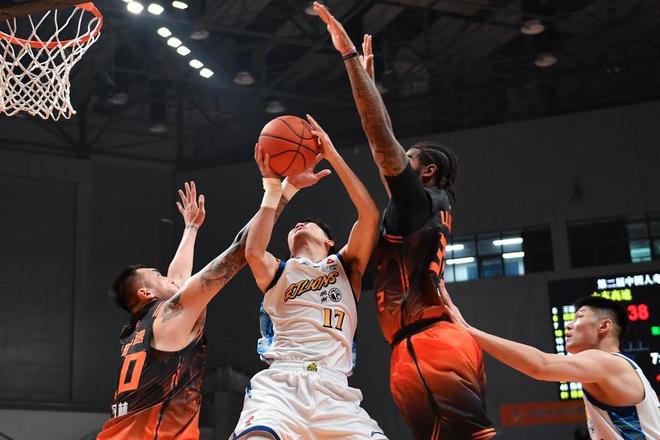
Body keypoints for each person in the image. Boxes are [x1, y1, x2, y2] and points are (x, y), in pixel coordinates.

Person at [313, 3, 495, 439]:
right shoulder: (423, 207)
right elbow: (387, 141)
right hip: (426, 341)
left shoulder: (419, 203)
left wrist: (349, 59)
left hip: (429, 342)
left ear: (427, 171)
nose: (397, 162)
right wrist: (370, 87)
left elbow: (381, 140)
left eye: (409, 160)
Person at [98, 172, 324, 439]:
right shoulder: (172, 314)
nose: (168, 278)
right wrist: (281, 190)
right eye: (158, 275)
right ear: (146, 293)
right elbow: (240, 249)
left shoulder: (137, 332)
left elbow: (179, 279)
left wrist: (191, 228)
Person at [231, 115, 387, 440]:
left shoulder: (345, 266)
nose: (299, 224)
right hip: (281, 386)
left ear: (329, 241)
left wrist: (332, 154)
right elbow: (252, 251)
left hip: (335, 391)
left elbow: (370, 215)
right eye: (294, 226)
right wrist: (273, 187)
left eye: (310, 224)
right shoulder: (278, 270)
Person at [441, 288, 660, 440]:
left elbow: (541, 365)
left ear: (604, 326)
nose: (569, 326)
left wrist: (469, 331)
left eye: (579, 317)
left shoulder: (607, 362)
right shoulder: (622, 370)